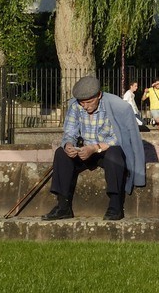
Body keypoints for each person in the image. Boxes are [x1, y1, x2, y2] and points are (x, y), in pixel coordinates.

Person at [42, 75, 146, 222]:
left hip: (105, 150)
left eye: (89, 102)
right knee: (61, 153)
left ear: (99, 95)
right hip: (85, 149)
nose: (86, 106)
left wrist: (95, 148)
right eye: (82, 103)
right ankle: (62, 206)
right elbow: (69, 132)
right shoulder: (75, 106)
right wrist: (69, 145)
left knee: (114, 155)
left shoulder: (116, 107)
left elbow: (119, 138)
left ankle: (115, 206)